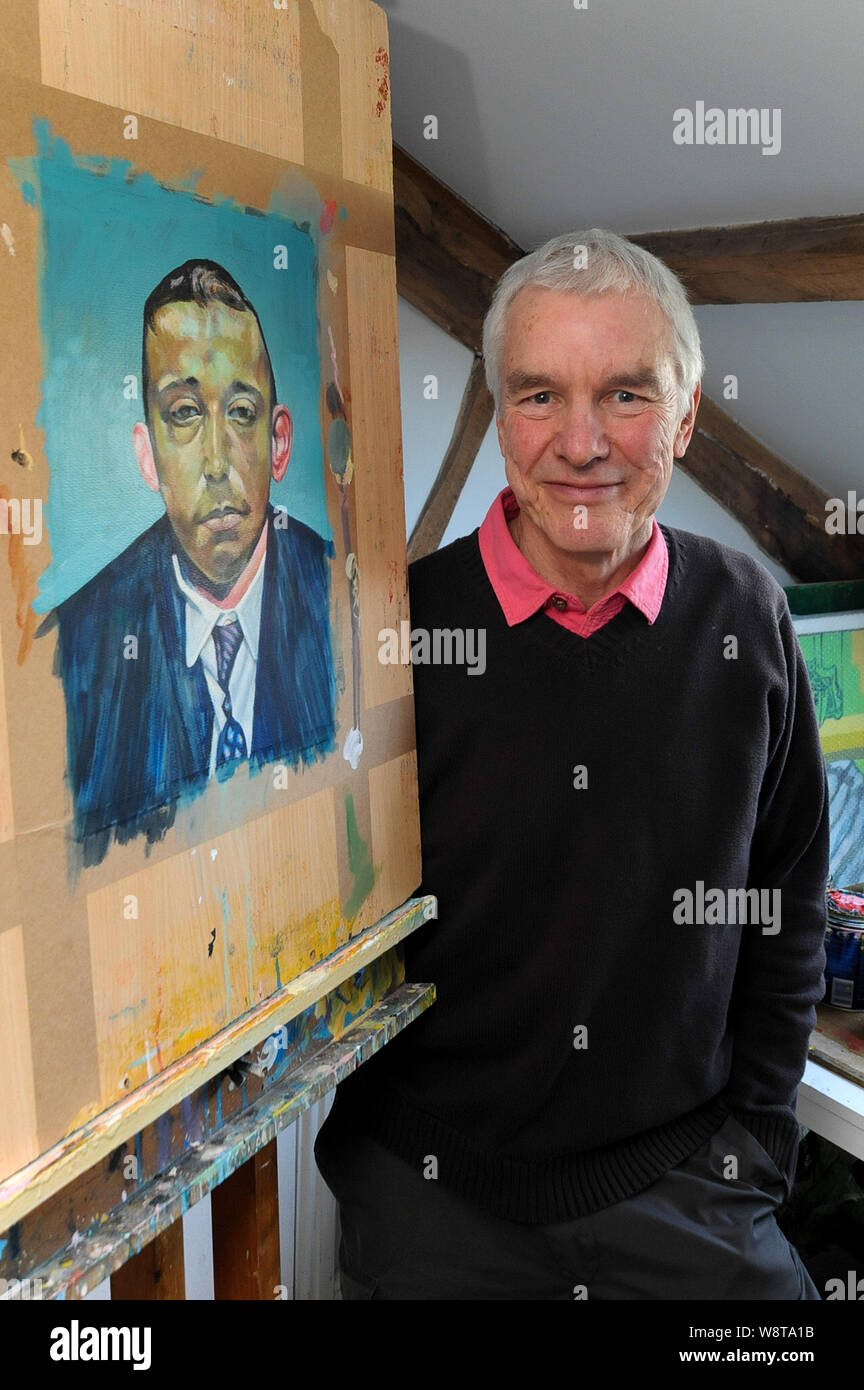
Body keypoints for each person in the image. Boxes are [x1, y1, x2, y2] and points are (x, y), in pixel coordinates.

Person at [314, 229, 830, 1300]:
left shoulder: (751, 618)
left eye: (628, 396)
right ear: (502, 413)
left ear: (687, 417)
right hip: (438, 1199)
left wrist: (758, 1145)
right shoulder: (397, 633)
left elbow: (788, 907)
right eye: (539, 395)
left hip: (687, 1192)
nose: (581, 441)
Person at [53, 260, 335, 861]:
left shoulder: (345, 603)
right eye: (184, 413)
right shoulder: (78, 649)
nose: (215, 462)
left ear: (278, 443)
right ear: (148, 454)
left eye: (240, 413)